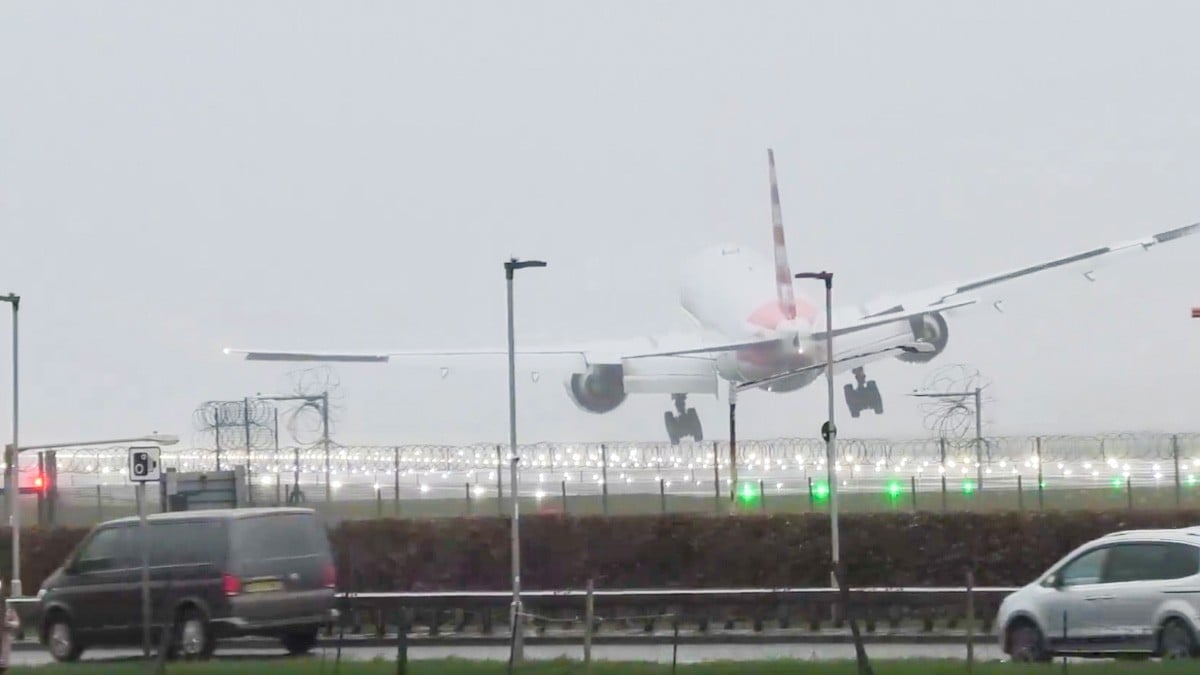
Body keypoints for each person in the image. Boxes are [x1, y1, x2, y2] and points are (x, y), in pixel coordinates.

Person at [0, 583, 18, 673]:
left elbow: (16, 622)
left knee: (4, 667)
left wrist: (8, 623)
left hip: (5, 641)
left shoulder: (8, 607)